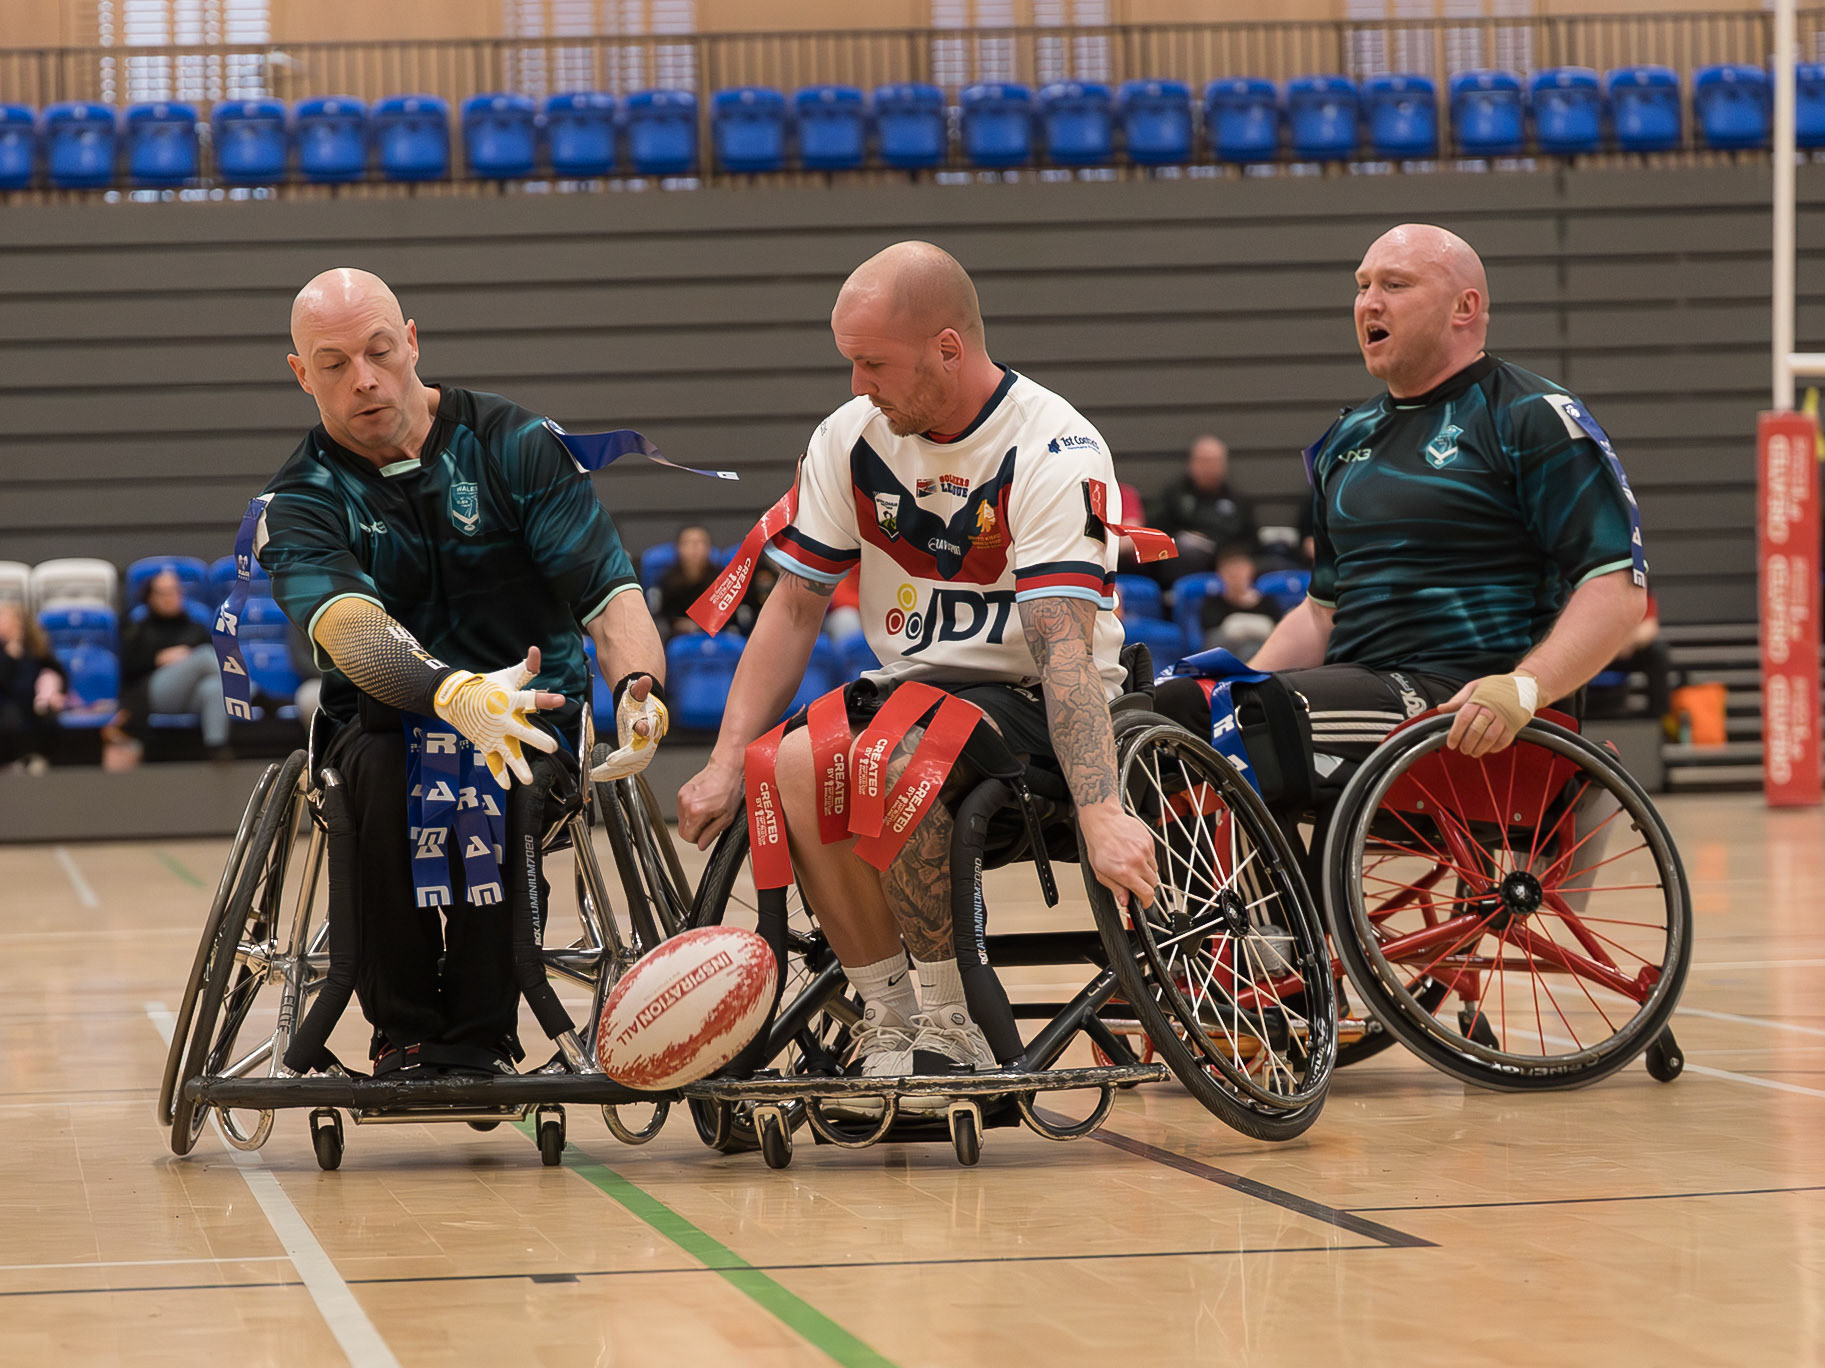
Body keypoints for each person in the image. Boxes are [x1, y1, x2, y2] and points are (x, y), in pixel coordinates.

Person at [677, 241, 1158, 1108]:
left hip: (1028, 703)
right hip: (914, 696)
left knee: (895, 756)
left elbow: (1061, 653)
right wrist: (721, 759)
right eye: (849, 362)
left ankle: (952, 1025)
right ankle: (892, 1021)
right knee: (790, 763)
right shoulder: (849, 437)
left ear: (947, 347)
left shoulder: (1052, 443)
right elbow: (791, 609)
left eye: (873, 363)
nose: (858, 382)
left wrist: (1100, 810)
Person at [255, 267, 666, 1077]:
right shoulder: (300, 499)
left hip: (533, 715)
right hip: (383, 728)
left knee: (500, 753)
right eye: (333, 364)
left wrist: (637, 692)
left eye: (378, 351)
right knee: (377, 769)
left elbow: (606, 590)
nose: (364, 379)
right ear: (302, 374)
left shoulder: (514, 444)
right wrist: (450, 692)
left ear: (411, 341)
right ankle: (405, 1034)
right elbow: (349, 627)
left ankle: (481, 1033)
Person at [1157, 223, 1647, 800]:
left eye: (1395, 284)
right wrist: (1234, 683)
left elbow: (1617, 588)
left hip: (1459, 700)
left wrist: (1524, 687)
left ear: (1465, 307)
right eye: (1362, 286)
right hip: (1356, 691)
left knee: (1247, 718)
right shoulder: (1347, 436)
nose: (1369, 302)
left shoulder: (1531, 415)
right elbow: (1322, 615)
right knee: (1166, 709)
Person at [119, 568, 231, 760]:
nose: (170, 598)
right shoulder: (138, 629)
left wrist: (186, 659)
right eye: (163, 593)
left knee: (215, 688)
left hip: (189, 695)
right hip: (150, 695)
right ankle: (252, 693)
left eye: (175, 591)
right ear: (150, 597)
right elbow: (128, 667)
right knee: (204, 656)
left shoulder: (196, 628)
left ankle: (216, 748)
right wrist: (158, 658)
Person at [1150, 434, 1257, 582]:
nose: (1209, 467)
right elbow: (1157, 531)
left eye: (1214, 461)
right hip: (1184, 558)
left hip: (1226, 557)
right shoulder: (1174, 495)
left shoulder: (1238, 499)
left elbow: (1250, 539)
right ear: (1191, 462)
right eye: (1203, 461)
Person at [0, 600, 66, 774]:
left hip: (33, 705)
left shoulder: (35, 651)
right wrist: (11, 657)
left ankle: (40, 759)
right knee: (10, 714)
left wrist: (56, 692)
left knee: (49, 717)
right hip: (7, 706)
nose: (8, 624)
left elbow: (57, 673)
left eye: (14, 620)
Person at [1197, 545, 1283, 660]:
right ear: (1220, 572)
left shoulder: (1267, 602)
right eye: (1230, 569)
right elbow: (1212, 637)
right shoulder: (1213, 603)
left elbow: (1277, 630)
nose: (1235, 574)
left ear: (1251, 570)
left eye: (1240, 568)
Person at [651, 524, 718, 638]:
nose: (695, 548)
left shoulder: (720, 579)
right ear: (678, 548)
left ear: (709, 548)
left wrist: (699, 626)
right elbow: (662, 615)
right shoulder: (667, 580)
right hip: (676, 635)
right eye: (689, 542)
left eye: (700, 542)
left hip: (715, 633)